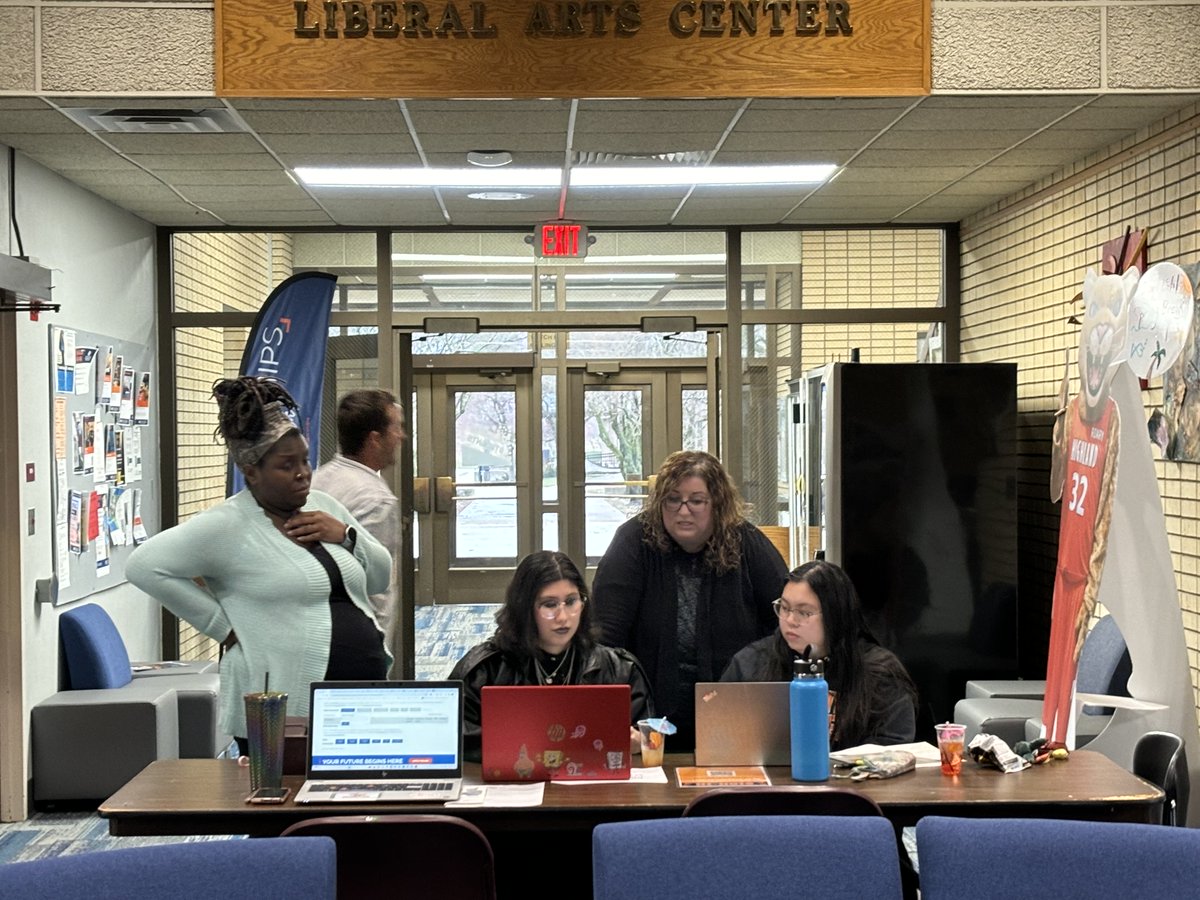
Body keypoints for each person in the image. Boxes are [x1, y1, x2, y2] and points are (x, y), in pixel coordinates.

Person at [127, 376, 392, 754]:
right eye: (287, 465)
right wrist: (221, 625)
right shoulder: (228, 525)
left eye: (305, 460)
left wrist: (347, 535)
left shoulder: (324, 506)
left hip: (359, 691)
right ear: (252, 471)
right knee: (280, 804)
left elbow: (379, 576)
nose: (303, 472)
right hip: (278, 703)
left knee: (365, 800)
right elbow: (144, 566)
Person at [592, 450, 788, 751]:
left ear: (718, 504)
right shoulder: (633, 541)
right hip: (649, 709)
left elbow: (783, 623)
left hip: (733, 704)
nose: (683, 511)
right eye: (673, 499)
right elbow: (606, 638)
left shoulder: (747, 543)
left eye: (696, 501)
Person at [448, 550, 654, 760]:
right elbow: (450, 740)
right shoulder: (483, 670)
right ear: (525, 608)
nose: (563, 617)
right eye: (549, 605)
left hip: (595, 790)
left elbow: (651, 743)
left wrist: (641, 744)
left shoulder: (620, 669)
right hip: (510, 787)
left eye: (571, 601)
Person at [721, 559, 918, 750]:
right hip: (771, 781)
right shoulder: (751, 663)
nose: (790, 619)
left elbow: (894, 748)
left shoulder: (879, 672)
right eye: (785, 607)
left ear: (836, 615)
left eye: (804, 613)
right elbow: (721, 735)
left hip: (857, 782)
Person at [310, 389, 406, 644]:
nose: (401, 436)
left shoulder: (317, 480)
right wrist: (378, 646)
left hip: (314, 627)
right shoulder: (375, 500)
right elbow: (376, 586)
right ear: (375, 439)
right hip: (356, 637)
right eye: (396, 428)